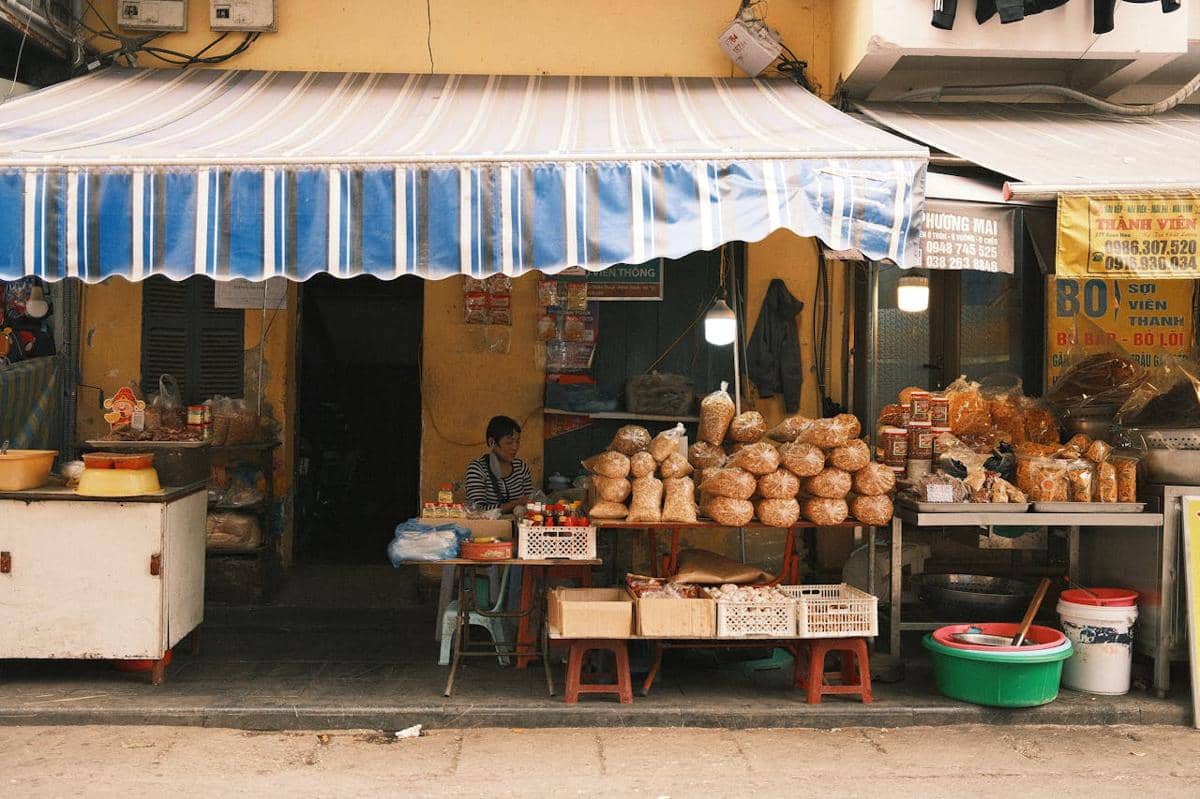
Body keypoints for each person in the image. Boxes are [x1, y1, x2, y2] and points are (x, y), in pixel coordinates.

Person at [464, 416, 534, 514]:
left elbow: (530, 502)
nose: (515, 447)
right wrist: (516, 503)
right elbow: (476, 510)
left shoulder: (521, 467)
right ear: (492, 442)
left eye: (517, 441)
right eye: (509, 442)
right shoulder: (477, 469)